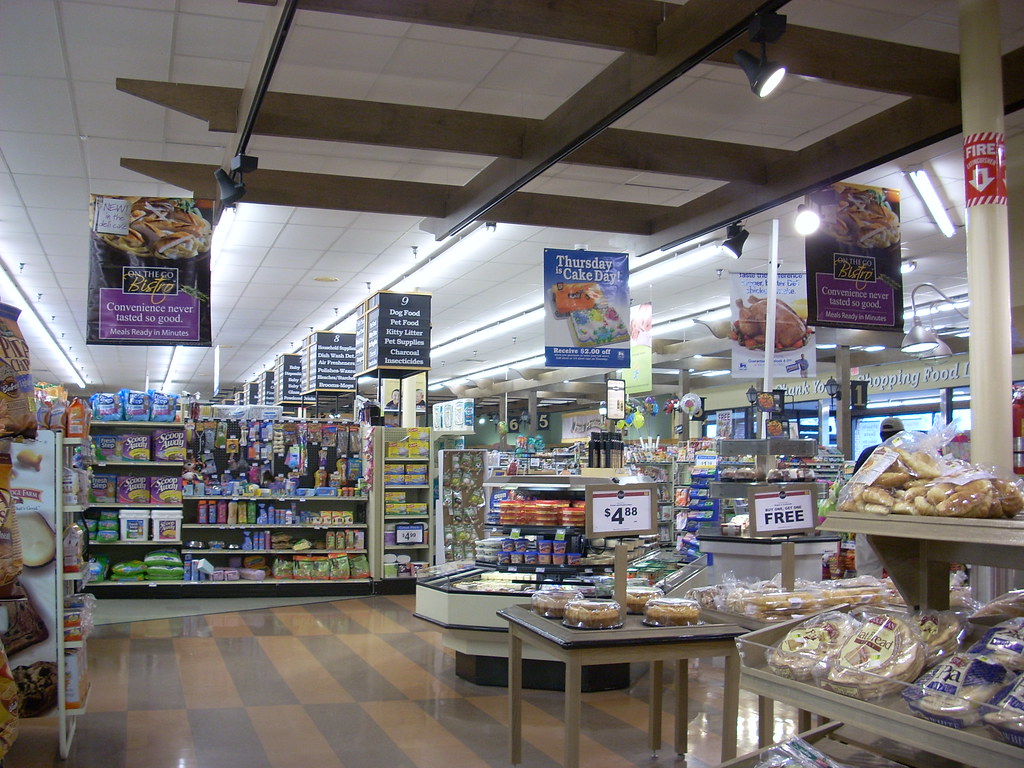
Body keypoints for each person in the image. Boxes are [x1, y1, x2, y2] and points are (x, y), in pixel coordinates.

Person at [852, 416, 904, 577]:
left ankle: (869, 596)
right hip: (900, 516)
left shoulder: (869, 453)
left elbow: (854, 485)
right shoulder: (908, 454)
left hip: (868, 514)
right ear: (901, 434)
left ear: (881, 434)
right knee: (901, 564)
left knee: (867, 566)